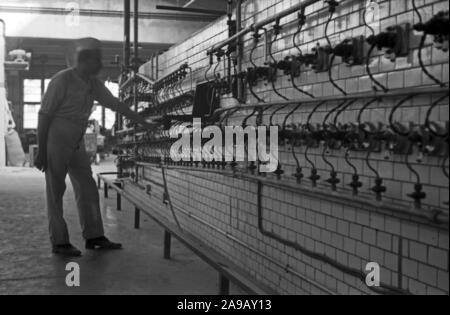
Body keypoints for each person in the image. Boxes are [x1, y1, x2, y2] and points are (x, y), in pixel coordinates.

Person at [34, 37, 153, 257]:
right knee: (55, 191)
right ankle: (60, 242)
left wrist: (143, 121)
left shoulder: (92, 83)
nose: (100, 65)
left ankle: (94, 236)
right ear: (83, 61)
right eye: (96, 61)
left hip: (77, 138)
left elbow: (115, 104)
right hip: (57, 137)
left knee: (88, 188)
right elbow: (44, 115)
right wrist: (41, 150)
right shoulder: (62, 80)